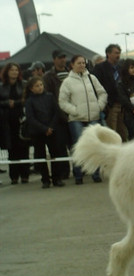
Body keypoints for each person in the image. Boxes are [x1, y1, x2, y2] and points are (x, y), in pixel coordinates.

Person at [59, 55, 107, 184]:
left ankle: (96, 173)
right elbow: (62, 101)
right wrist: (75, 111)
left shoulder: (92, 78)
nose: (82, 65)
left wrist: (99, 106)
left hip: (93, 117)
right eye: (79, 63)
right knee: (78, 146)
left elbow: (102, 93)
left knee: (94, 145)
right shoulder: (67, 82)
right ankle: (78, 174)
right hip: (76, 119)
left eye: (83, 63)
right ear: (72, 65)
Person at [23, 76, 67, 188]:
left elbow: (56, 112)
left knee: (55, 154)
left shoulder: (50, 96)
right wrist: (44, 129)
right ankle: (45, 179)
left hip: (52, 130)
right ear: (31, 89)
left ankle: (57, 178)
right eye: (37, 86)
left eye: (41, 85)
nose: (40, 87)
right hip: (37, 132)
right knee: (40, 156)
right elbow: (30, 118)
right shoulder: (29, 101)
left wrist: (51, 127)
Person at [43, 50, 72, 180]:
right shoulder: (48, 76)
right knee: (60, 146)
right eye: (60, 58)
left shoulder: (72, 73)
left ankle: (80, 169)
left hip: (73, 114)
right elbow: (49, 97)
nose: (63, 60)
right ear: (54, 59)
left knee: (75, 144)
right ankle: (63, 172)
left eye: (64, 57)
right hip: (57, 117)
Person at [0, 62, 30, 184]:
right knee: (12, 149)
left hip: (21, 119)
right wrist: (7, 103)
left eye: (16, 70)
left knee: (24, 147)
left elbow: (26, 99)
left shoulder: (23, 84)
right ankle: (14, 176)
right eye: (12, 70)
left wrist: (16, 103)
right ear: (7, 71)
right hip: (6, 121)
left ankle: (25, 175)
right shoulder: (1, 86)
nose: (15, 72)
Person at [92, 44, 127, 141]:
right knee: (111, 134)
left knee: (123, 133)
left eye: (119, 53)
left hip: (122, 106)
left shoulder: (121, 67)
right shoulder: (100, 68)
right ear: (108, 54)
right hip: (110, 105)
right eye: (116, 53)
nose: (118, 55)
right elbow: (96, 86)